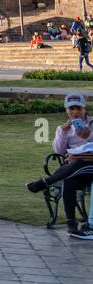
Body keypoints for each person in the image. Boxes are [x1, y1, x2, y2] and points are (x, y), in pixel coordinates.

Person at [26, 93, 93, 239]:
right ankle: (71, 223)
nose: (75, 112)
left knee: (78, 163)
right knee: (69, 179)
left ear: (84, 109)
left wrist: (87, 135)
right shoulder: (63, 128)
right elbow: (58, 151)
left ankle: (45, 182)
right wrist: (63, 133)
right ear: (66, 110)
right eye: (71, 109)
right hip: (73, 168)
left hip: (90, 166)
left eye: (78, 108)